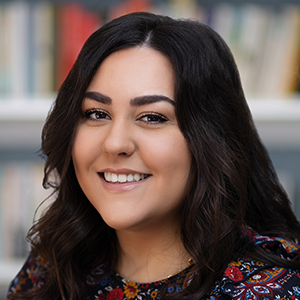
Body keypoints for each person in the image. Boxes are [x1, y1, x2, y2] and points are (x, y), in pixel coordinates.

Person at [6, 12, 300, 300]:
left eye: (152, 117)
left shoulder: (270, 291)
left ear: (212, 138)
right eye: (96, 113)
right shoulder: (51, 268)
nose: (115, 143)